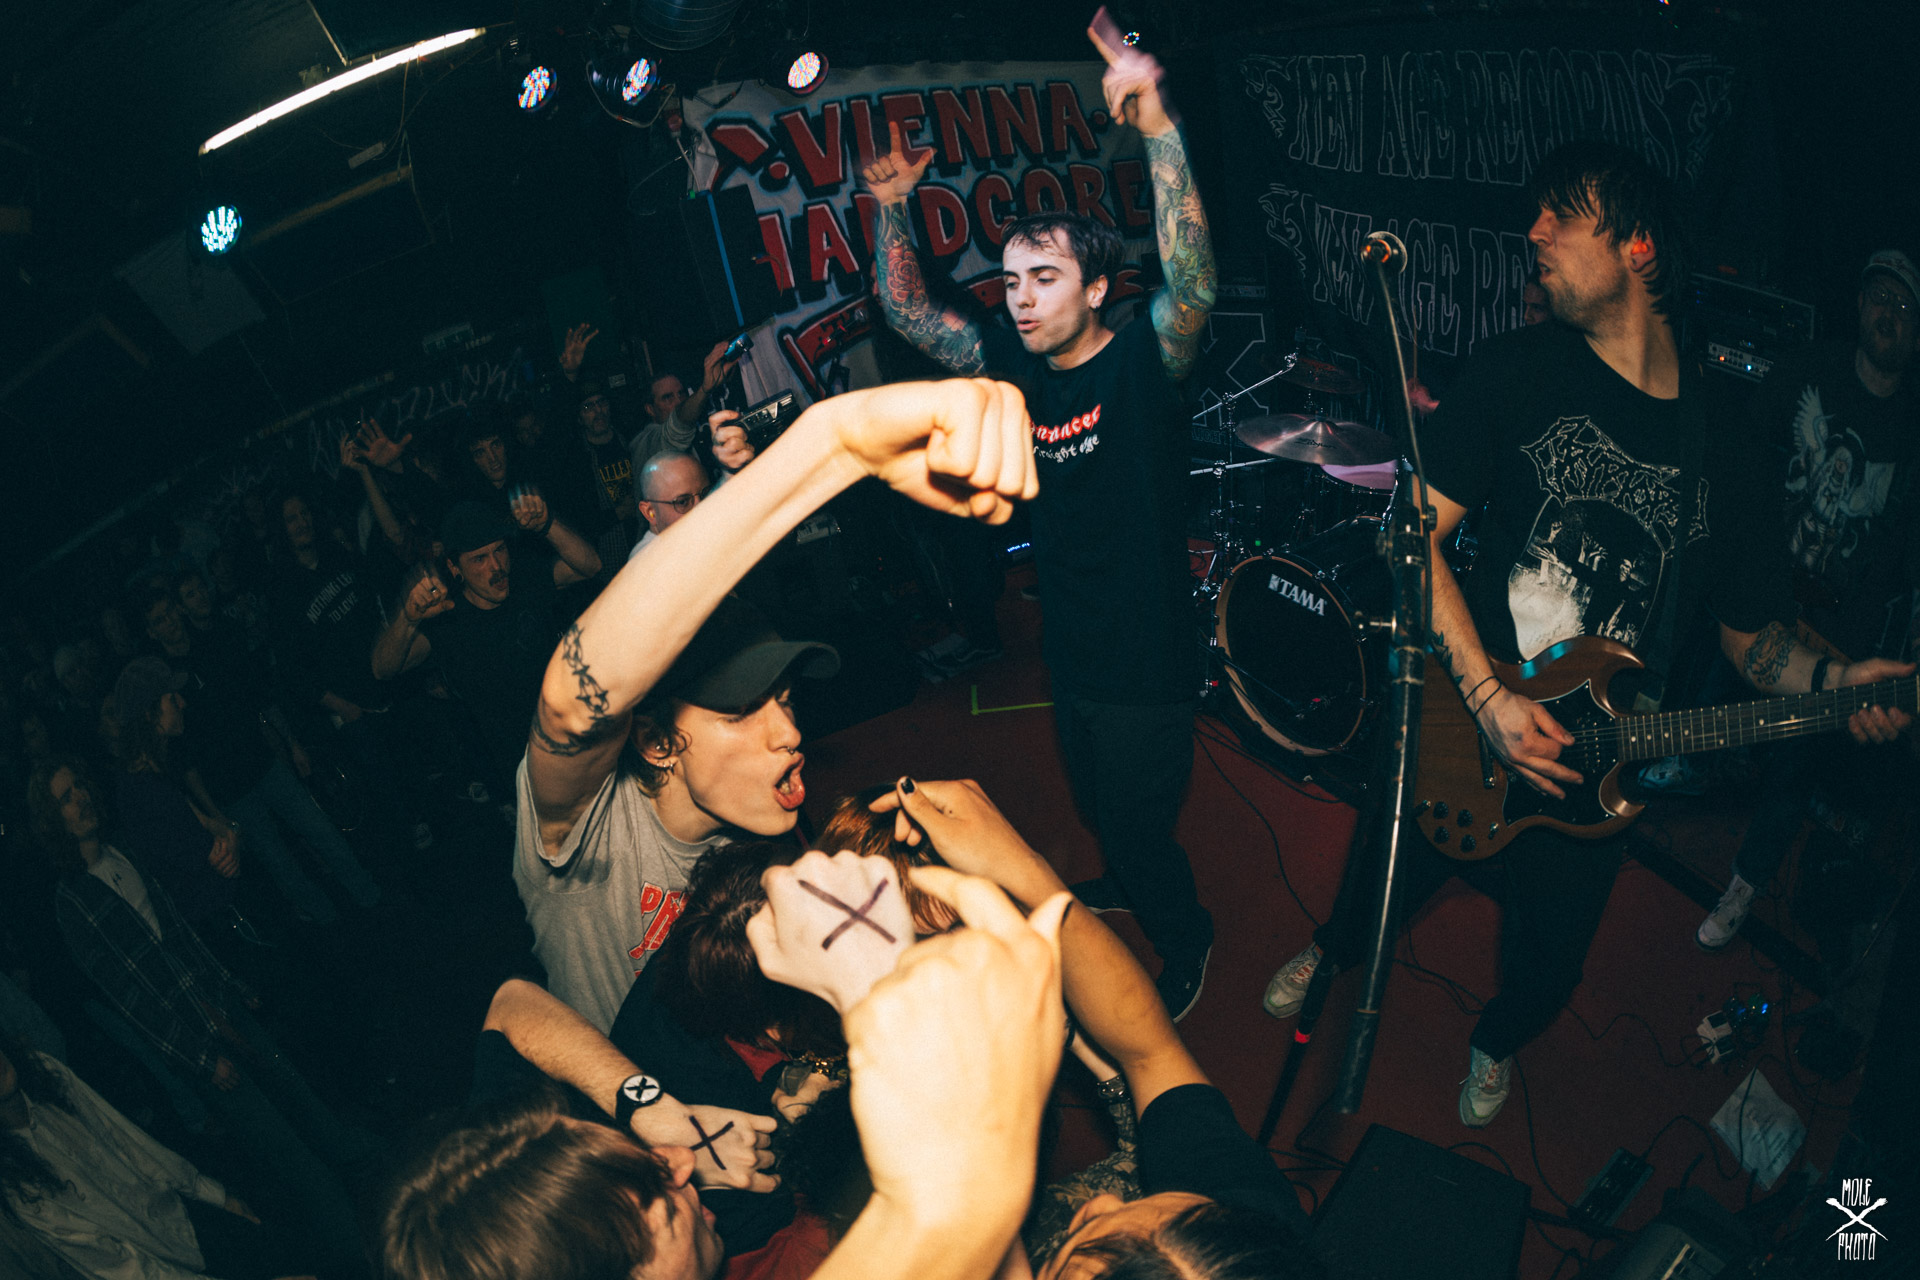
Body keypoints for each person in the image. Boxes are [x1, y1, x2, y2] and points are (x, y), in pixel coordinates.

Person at [1261, 141, 1914, 1127]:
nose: (1534, 232)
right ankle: (1333, 950)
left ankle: (1494, 1042)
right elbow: (1410, 534)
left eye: (1562, 215)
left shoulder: (1726, 447)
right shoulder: (1516, 371)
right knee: (1378, 881)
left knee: (1550, 963)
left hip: (1596, 768)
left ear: (1639, 246)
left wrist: (1838, 678)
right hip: (1464, 712)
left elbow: (1753, 641)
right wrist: (1488, 696)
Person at [863, 25, 1218, 1017]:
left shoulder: (1143, 360)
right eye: (1012, 281)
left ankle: (1186, 934)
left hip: (1149, 652)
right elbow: (907, 311)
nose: (1020, 300)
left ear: (1097, 289)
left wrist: (1160, 130)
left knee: (1140, 823)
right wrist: (890, 206)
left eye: (1045, 279)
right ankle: (1134, 877)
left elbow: (1193, 285)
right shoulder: (1013, 364)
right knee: (1101, 807)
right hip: (1073, 642)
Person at [517, 374, 1033, 1035]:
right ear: (657, 742)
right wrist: (834, 446)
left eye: (785, 701)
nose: (788, 732)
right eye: (740, 712)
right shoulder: (592, 831)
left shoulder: (759, 830)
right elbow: (571, 703)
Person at [380, 860, 1071, 1280]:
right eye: (658, 1190)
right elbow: (955, 1205)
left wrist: (650, 1109)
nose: (681, 1161)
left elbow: (511, 1005)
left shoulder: (498, 1208)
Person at [751, 832, 1316, 1280]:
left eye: (1079, 1264)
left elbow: (945, 1233)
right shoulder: (1245, 1243)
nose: (1098, 1206)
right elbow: (1153, 1053)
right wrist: (1024, 868)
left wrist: (871, 999)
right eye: (1184, 1204)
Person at [29, 757, 374, 1273]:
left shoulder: (121, 850)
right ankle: (355, 1241)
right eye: (64, 798)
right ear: (51, 820)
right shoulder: (73, 900)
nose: (80, 799)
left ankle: (364, 1173)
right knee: (282, 1146)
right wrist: (199, 1057)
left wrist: (229, 985)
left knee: (293, 1088)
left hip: (216, 1000)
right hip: (191, 1036)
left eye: (79, 786)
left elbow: (176, 933)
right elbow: (129, 997)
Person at [1696, 248, 1920, 950]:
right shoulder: (1809, 372)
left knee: (1796, 763)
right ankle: (1675, 780)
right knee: (1712, 699)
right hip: (1765, 591)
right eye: (1879, 297)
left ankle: (1745, 883)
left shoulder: (1914, 428)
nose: (1888, 313)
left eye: (1904, 306)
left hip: (1840, 630)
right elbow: (1744, 453)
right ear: (1859, 304)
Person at [140, 592, 384, 928]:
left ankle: (371, 897)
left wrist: (291, 744)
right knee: (280, 863)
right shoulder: (164, 684)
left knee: (320, 829)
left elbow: (257, 695)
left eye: (170, 612)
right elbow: (186, 762)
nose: (170, 622)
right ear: (151, 632)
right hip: (229, 791)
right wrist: (215, 814)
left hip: (263, 762)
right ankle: (331, 923)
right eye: (160, 620)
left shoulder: (215, 642)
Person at [0, 1030, 299, 1280]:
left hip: (185, 1220)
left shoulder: (44, 1072)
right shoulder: (15, 1186)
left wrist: (215, 1196)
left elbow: (130, 1142)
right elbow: (124, 1268)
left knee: (291, 1248)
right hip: (158, 1268)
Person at [372, 497, 600, 799]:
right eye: (479, 559)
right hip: (528, 770)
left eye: (499, 550)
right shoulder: (448, 620)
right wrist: (407, 618)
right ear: (455, 567)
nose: (496, 566)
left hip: (583, 739)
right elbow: (382, 669)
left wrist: (548, 524)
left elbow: (590, 566)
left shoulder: (526, 580)